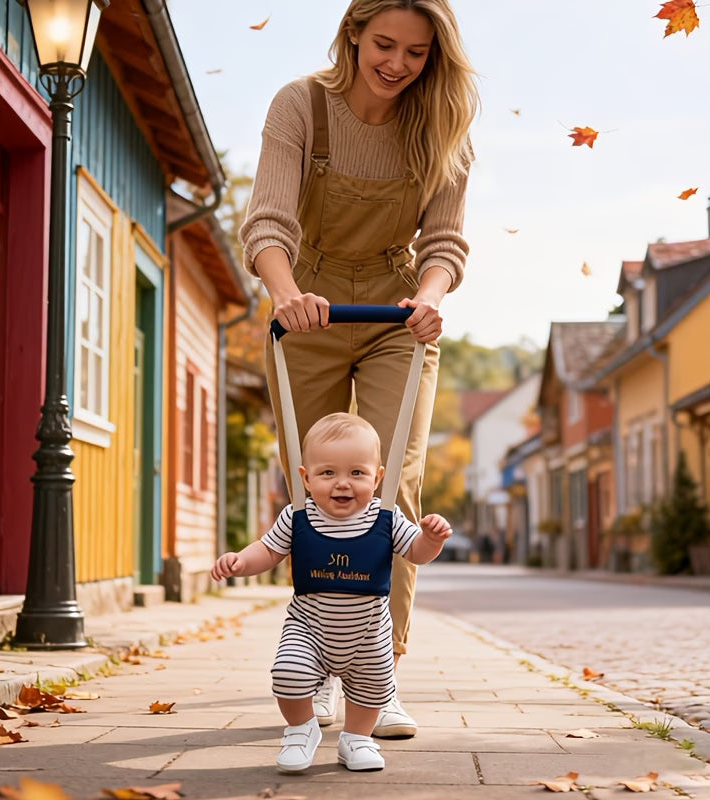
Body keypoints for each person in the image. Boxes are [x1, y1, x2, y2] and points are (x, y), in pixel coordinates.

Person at [239, 0, 478, 739]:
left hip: (394, 316)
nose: (399, 64)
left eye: (417, 52)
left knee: (386, 487)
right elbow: (268, 220)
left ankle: (383, 673)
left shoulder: (441, 128)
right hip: (306, 306)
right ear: (352, 34)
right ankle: (310, 668)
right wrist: (286, 296)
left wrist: (430, 300)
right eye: (385, 44)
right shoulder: (302, 105)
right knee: (319, 495)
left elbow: (444, 242)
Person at [210, 413, 452, 773]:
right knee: (287, 674)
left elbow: (415, 553)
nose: (342, 484)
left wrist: (430, 540)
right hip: (310, 627)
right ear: (305, 478)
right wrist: (241, 562)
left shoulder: (385, 516)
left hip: (368, 633)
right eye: (328, 473)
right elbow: (268, 550)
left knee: (374, 686)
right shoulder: (298, 517)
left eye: (357, 473)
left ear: (378, 476)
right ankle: (300, 729)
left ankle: (356, 739)